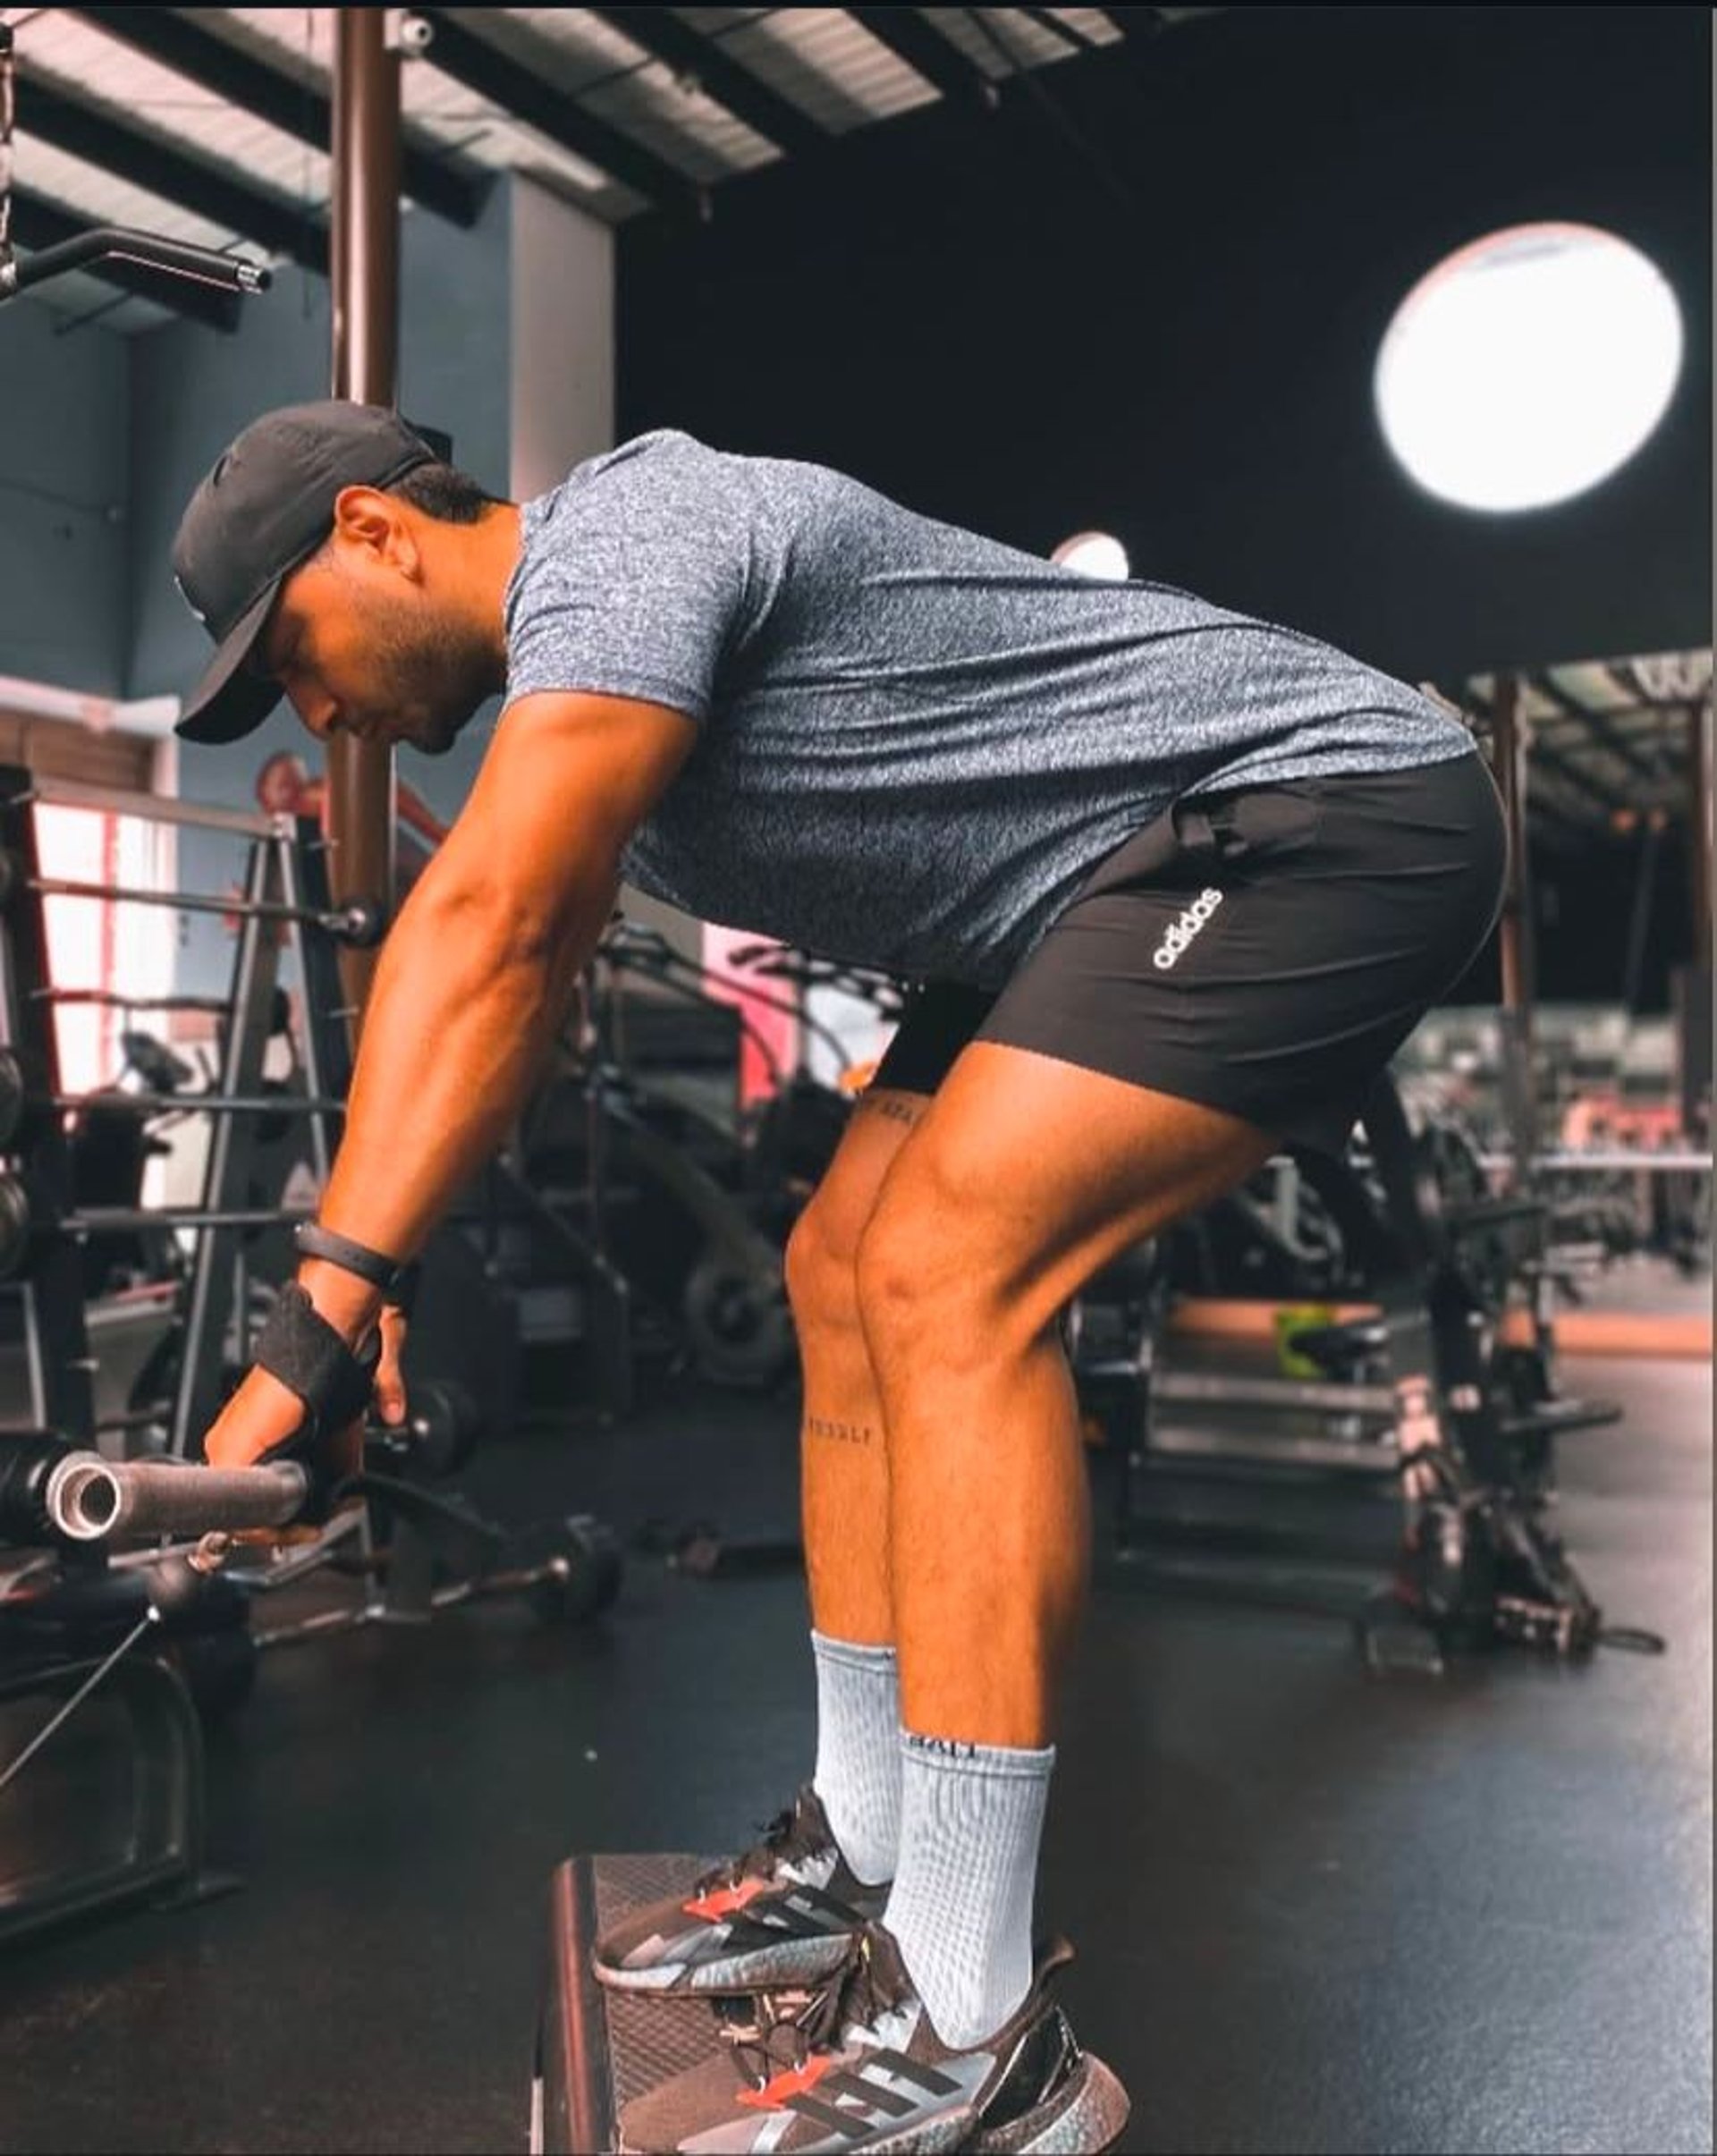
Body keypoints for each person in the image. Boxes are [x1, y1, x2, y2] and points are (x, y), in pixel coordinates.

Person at [176, 400, 1505, 2155]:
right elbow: (516, 955)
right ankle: (859, 1847)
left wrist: (307, 1338)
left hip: (1314, 811)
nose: (324, 715)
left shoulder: (627, 538)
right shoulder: (591, 704)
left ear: (373, 530)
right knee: (839, 1263)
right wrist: (370, 1312)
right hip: (1078, 888)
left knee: (956, 1268)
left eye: (298, 658)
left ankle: (982, 2029)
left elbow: (489, 923)